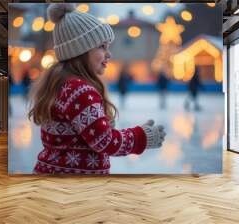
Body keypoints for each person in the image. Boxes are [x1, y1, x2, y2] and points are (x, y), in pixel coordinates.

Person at [28, 3, 166, 174]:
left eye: (108, 47)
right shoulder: (80, 91)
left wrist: (102, 123)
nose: (109, 54)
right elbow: (105, 141)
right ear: (79, 50)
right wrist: (141, 137)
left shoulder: (63, 84)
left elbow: (78, 136)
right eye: (102, 46)